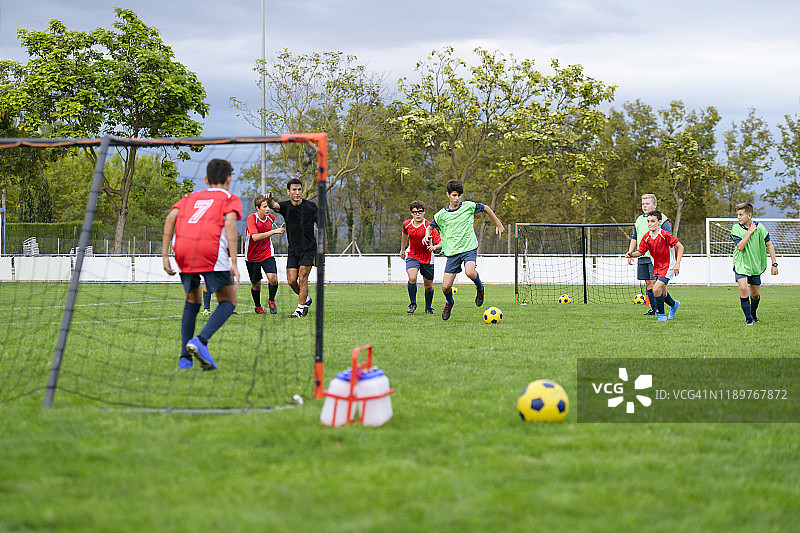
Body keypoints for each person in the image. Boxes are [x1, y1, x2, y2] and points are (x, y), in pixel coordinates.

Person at [161, 158, 242, 370]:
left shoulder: (190, 197)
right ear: (229, 178)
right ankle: (201, 341)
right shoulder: (229, 198)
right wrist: (234, 261)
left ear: (206, 179)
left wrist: (164, 255)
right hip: (210, 249)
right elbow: (231, 222)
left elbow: (171, 217)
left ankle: (184, 359)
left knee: (192, 300)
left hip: (184, 250)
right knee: (229, 301)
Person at [423, 179, 505, 321]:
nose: (457, 198)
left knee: (470, 272)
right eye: (454, 195)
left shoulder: (468, 206)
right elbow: (430, 226)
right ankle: (450, 302)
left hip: (469, 248)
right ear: (447, 195)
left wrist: (498, 223)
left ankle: (480, 288)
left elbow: (486, 207)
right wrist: (426, 235)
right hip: (452, 253)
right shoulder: (441, 215)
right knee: (445, 287)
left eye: (459, 195)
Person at [266, 178, 316, 318]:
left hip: (308, 248)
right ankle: (305, 299)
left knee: (303, 277)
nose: (297, 192)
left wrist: (323, 248)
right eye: (294, 190)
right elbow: (274, 206)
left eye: (299, 189)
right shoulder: (286, 206)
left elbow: (322, 226)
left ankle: (300, 309)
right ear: (288, 192)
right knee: (291, 280)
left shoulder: (311, 207)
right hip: (293, 250)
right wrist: (269, 201)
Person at [626, 210, 683, 322]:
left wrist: (677, 263)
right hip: (656, 267)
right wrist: (631, 254)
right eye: (648, 221)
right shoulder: (646, 237)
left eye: (653, 221)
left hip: (668, 266)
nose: (650, 224)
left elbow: (680, 247)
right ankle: (674, 304)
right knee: (663, 293)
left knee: (656, 289)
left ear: (659, 222)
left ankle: (661, 315)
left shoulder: (665, 235)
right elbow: (641, 252)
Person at [731, 202, 779, 325]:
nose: (739, 217)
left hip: (755, 265)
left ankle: (753, 313)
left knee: (755, 294)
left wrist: (774, 264)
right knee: (743, 288)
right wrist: (750, 232)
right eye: (738, 215)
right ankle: (748, 319)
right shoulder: (736, 228)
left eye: (741, 215)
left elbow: (769, 245)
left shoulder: (761, 228)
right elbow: (740, 247)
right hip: (741, 263)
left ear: (749, 215)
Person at [626, 194, 672, 316]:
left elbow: (668, 238)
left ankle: (666, 307)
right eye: (643, 204)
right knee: (648, 283)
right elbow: (634, 237)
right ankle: (654, 309)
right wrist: (630, 253)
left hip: (656, 258)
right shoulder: (639, 220)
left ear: (655, 204)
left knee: (656, 283)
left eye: (647, 203)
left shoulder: (663, 219)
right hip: (642, 256)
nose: (645, 206)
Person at [245, 194, 285, 314]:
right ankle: (257, 306)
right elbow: (255, 237)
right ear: (257, 208)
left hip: (267, 253)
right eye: (265, 207)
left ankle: (271, 301)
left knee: (273, 279)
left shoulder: (271, 218)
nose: (268, 209)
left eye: (268, 207)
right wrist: (273, 231)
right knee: (256, 285)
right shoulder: (251, 219)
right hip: (252, 256)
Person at [400, 200, 442, 314]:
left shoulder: (429, 226)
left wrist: (434, 247)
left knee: (428, 286)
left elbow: (440, 243)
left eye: (420, 211)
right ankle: (412, 304)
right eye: (415, 212)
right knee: (412, 277)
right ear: (411, 213)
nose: (417, 214)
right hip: (412, 254)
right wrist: (403, 249)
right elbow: (404, 234)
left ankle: (428, 307)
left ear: (424, 212)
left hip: (427, 258)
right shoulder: (407, 224)